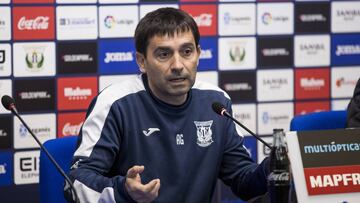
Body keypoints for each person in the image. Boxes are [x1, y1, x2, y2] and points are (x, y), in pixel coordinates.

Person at [66, 7, 269, 203]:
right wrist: (124, 191)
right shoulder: (115, 103)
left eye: (187, 52)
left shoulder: (216, 102)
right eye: (164, 54)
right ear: (142, 61)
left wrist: (274, 168)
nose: (178, 65)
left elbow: (244, 182)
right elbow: (75, 184)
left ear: (198, 54)